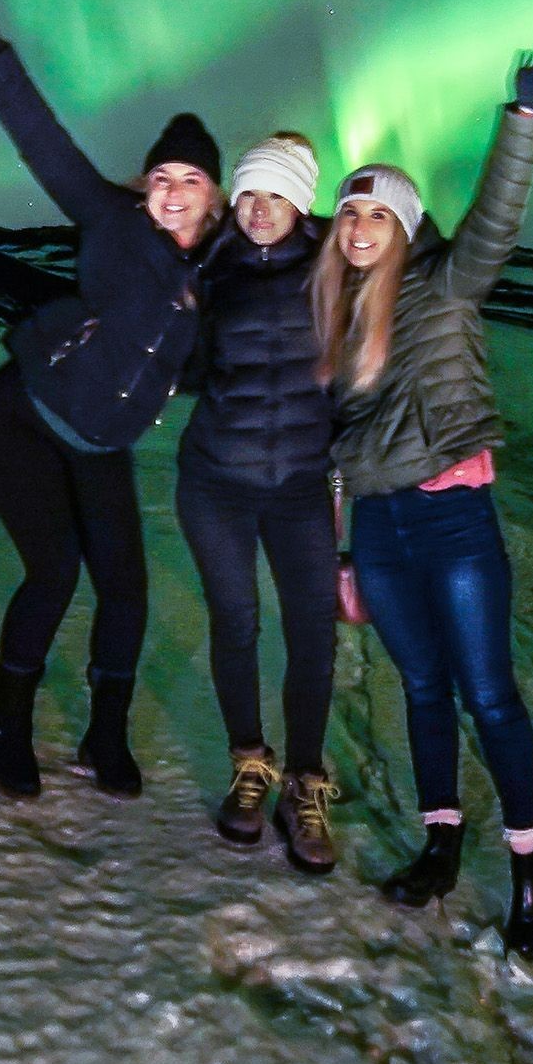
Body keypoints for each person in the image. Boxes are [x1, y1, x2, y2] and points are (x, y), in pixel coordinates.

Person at [0, 0, 222, 801]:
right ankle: (6, 725)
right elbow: (42, 140)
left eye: (187, 180)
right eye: (159, 175)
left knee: (126, 584)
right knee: (54, 573)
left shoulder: (214, 285)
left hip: (100, 445)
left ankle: (105, 737)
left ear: (214, 198)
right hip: (22, 418)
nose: (167, 190)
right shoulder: (110, 223)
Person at [315, 30, 533, 959]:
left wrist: (524, 115)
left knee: (488, 694)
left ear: (407, 225)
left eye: (374, 216)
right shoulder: (338, 321)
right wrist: (344, 547)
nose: (356, 229)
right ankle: (440, 844)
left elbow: (497, 218)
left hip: (454, 518)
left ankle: (530, 863)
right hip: (379, 526)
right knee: (420, 687)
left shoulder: (450, 285)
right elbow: (337, 448)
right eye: (346, 217)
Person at [174, 133, 344, 872]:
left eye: (276, 195)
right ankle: (251, 765)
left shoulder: (339, 265)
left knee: (313, 632)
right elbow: (181, 367)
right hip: (216, 480)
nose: (259, 209)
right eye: (248, 194)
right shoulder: (208, 269)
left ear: (301, 201)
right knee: (235, 621)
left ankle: (305, 781)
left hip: (303, 485)